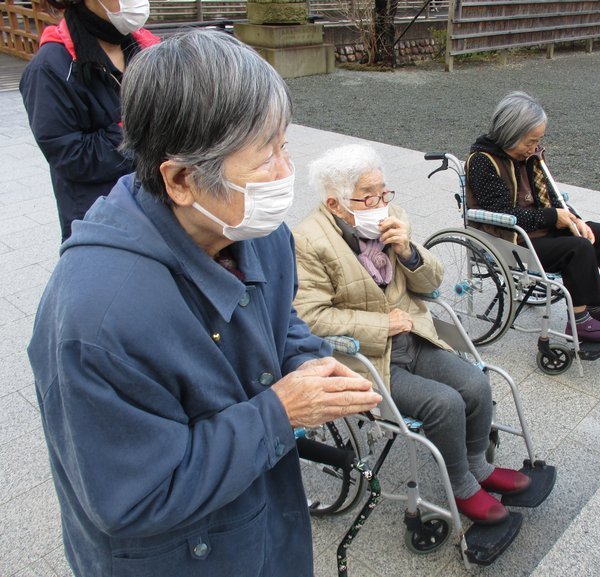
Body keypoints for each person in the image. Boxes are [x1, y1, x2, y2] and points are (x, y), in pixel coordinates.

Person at [26, 30, 381, 577]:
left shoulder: (254, 230)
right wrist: (280, 412)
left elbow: (279, 317)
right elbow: (135, 495)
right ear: (183, 179)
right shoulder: (98, 321)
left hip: (264, 522)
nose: (286, 175)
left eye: (284, 145)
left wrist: (309, 364)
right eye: (265, 160)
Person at [292, 143, 531, 526]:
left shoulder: (392, 219)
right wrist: (380, 325)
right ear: (336, 205)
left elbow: (431, 283)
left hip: (414, 339)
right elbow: (309, 316)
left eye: (384, 191)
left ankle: (477, 467)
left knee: (475, 384)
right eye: (368, 196)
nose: (380, 202)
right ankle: (461, 486)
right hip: (367, 357)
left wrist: (408, 252)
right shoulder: (308, 240)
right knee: (445, 404)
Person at [466, 91, 600, 342]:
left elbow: (552, 196)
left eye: (538, 140)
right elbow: (502, 214)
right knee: (577, 248)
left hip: (537, 229)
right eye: (529, 141)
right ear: (509, 134)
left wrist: (573, 218)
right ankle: (578, 321)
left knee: (598, 233)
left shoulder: (530, 157)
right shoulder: (483, 161)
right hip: (509, 237)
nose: (535, 148)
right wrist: (552, 218)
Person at [20, 0, 159, 241]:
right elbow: (70, 155)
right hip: (100, 219)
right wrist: (145, 130)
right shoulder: (51, 67)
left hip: (157, 209)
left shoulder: (146, 49)